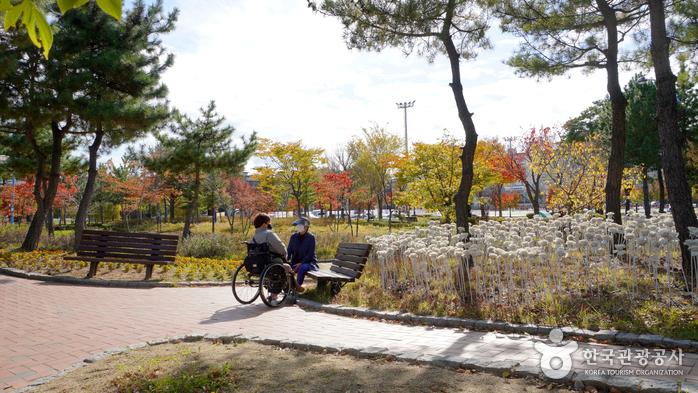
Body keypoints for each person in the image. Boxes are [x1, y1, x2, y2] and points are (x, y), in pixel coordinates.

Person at [286, 217, 318, 292]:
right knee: (285, 267)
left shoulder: (311, 238)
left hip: (308, 262)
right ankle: (287, 287)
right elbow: (289, 250)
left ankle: (297, 288)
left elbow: (310, 254)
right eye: (297, 226)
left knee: (302, 268)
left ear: (306, 227)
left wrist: (301, 263)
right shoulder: (293, 237)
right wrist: (286, 260)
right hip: (295, 262)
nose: (297, 227)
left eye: (300, 225)